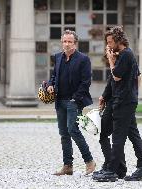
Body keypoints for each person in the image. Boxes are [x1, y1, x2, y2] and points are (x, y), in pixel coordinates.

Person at [94, 26, 142, 182]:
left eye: (111, 42)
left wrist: (111, 61)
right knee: (133, 134)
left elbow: (116, 76)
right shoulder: (125, 55)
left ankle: (112, 171)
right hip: (126, 100)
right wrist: (106, 96)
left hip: (124, 102)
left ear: (118, 41)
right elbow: (133, 77)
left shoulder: (126, 55)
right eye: (107, 42)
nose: (109, 45)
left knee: (118, 137)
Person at [47, 30, 96, 176]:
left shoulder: (83, 59)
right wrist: (50, 84)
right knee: (64, 133)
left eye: (70, 41)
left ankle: (89, 161)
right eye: (64, 41)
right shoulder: (58, 57)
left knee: (73, 130)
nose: (66, 44)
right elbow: (54, 75)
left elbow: (86, 82)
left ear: (75, 43)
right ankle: (67, 166)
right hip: (60, 100)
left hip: (74, 101)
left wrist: (75, 98)